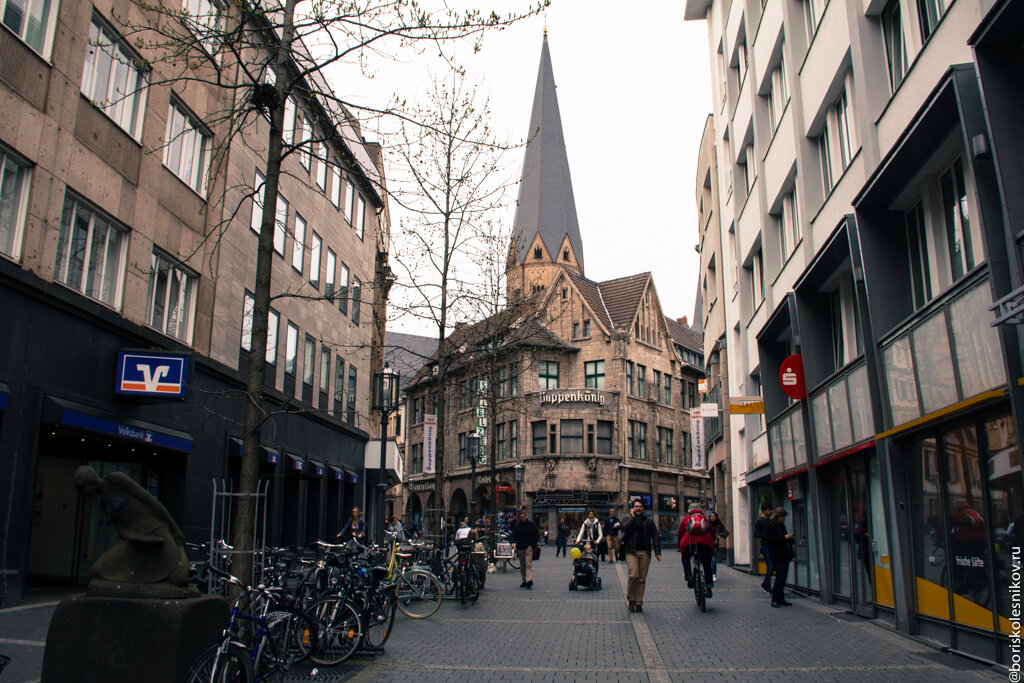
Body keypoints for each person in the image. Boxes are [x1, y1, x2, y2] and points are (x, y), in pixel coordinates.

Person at [620, 498, 661, 613]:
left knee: (641, 578)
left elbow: (655, 536)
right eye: (636, 506)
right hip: (631, 551)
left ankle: (638, 602)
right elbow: (624, 528)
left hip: (644, 552)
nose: (638, 508)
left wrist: (658, 552)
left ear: (643, 508)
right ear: (633, 508)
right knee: (633, 575)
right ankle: (631, 599)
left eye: (640, 507)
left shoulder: (648, 521)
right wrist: (633, 518)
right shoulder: (628, 519)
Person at [678, 502, 716, 598]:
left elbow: (680, 533)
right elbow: (712, 532)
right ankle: (708, 588)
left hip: (689, 543)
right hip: (704, 544)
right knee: (707, 564)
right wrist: (712, 543)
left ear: (689, 510)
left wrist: (680, 546)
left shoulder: (687, 519)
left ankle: (689, 577)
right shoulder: (705, 519)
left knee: (685, 559)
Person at [765, 507, 795, 607]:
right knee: (780, 576)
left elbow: (785, 539)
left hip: (784, 554)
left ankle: (781, 598)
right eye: (782, 517)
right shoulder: (770, 526)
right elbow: (771, 540)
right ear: (777, 517)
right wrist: (784, 538)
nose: (783, 519)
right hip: (777, 555)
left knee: (783, 577)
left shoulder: (781, 526)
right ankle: (774, 599)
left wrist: (789, 538)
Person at [509, 509, 539, 588]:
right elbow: (513, 535)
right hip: (520, 547)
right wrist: (512, 542)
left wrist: (532, 545)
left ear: (526, 516)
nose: (522, 518)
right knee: (522, 565)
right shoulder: (517, 525)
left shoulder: (531, 525)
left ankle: (529, 580)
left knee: (528, 564)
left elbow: (536, 535)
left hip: (528, 547)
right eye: (521, 517)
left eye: (523, 517)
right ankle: (524, 580)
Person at [753, 501, 775, 595]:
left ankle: (765, 584)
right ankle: (767, 585)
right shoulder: (760, 521)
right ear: (765, 511)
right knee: (770, 566)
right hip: (766, 546)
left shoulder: (771, 520)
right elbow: (756, 534)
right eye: (769, 510)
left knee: (772, 566)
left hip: (773, 545)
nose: (771, 512)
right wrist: (766, 536)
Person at [707, 510, 729, 581]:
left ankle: (713, 574)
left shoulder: (718, 524)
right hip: (707, 544)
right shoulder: (707, 524)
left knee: (713, 560)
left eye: (714, 516)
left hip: (715, 544)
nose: (712, 518)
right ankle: (708, 574)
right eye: (711, 516)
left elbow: (726, 532)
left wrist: (720, 535)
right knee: (708, 560)